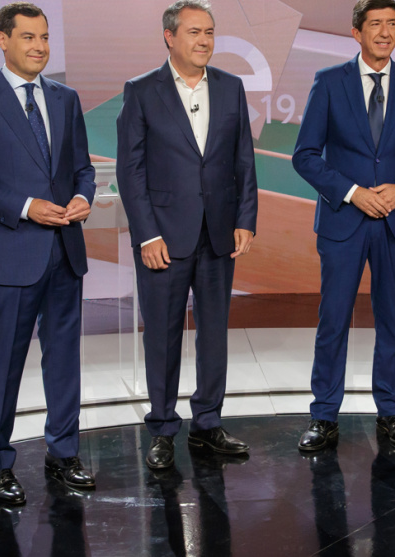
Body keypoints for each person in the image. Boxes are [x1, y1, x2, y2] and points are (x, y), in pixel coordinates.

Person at [0, 2, 98, 504]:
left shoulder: (65, 98)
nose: (39, 46)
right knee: (5, 363)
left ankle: (64, 452)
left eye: (45, 37)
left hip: (65, 251)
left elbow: (83, 168)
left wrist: (83, 197)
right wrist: (26, 206)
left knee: (64, 359)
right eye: (28, 37)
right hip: (12, 255)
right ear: (3, 40)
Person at [292, 0, 395, 451]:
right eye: (375, 24)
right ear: (356, 32)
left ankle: (391, 412)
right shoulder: (329, 82)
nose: (384, 32)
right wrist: (354, 192)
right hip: (344, 220)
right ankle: (323, 415)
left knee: (391, 319)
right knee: (334, 319)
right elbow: (305, 155)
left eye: (391, 23)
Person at [115, 0, 258, 470]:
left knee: (214, 334)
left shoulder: (231, 87)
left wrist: (245, 219)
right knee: (162, 336)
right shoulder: (141, 91)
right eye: (195, 32)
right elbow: (131, 171)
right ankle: (161, 428)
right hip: (163, 239)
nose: (204, 40)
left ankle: (208, 423)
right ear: (169, 36)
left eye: (210, 32)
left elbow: (243, 160)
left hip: (218, 234)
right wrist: (146, 235)